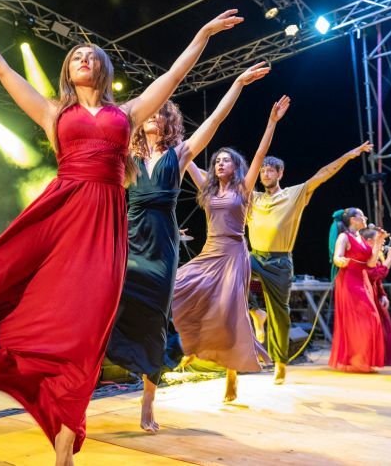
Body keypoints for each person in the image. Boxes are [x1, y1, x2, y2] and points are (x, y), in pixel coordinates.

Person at [0, 0, 242, 465]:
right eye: (75, 56)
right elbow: (5, 73)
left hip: (103, 228)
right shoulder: (53, 113)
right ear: (68, 72)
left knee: (84, 333)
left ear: (102, 69)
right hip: (60, 210)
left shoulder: (129, 114)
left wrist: (202, 35)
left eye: (90, 55)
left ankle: (65, 444)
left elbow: (175, 77)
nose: (82, 58)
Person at [106, 62, 271, 433]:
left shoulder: (179, 154)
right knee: (110, 306)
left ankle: (148, 401)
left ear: (169, 122)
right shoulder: (126, 158)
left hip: (162, 246)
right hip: (130, 238)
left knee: (155, 319)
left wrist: (239, 84)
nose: (154, 117)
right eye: (150, 112)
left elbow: (214, 120)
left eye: (161, 113)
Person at [172, 95, 290, 402]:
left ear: (236, 165)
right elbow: (187, 155)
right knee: (177, 286)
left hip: (235, 253)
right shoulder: (206, 187)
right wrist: (171, 131)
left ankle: (231, 376)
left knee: (229, 312)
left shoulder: (244, 187)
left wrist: (272, 122)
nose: (219, 163)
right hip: (210, 250)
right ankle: (187, 344)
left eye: (225, 159)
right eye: (216, 160)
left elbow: (262, 151)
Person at [246, 142, 372, 384]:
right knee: (232, 270)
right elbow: (220, 182)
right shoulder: (253, 197)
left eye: (271, 170)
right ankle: (255, 311)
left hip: (280, 261)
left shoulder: (294, 194)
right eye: (262, 170)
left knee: (281, 314)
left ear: (280, 173)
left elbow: (322, 174)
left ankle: (280, 362)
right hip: (255, 256)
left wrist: (347, 154)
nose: (265, 174)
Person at [328, 208, 385, 373]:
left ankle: (360, 357)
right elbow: (337, 256)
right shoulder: (343, 236)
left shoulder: (360, 237)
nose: (365, 218)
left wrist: (379, 241)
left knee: (372, 318)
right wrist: (340, 261)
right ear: (353, 219)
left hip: (362, 279)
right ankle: (356, 358)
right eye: (362, 215)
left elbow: (371, 264)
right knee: (361, 318)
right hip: (348, 280)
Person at [361, 224, 391, 366]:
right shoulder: (365, 255)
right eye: (380, 241)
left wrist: (383, 294)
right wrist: (390, 259)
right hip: (366, 293)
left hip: (375, 293)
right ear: (370, 241)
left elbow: (377, 280)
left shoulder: (375, 254)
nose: (383, 244)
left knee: (383, 326)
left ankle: (380, 356)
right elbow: (375, 274)